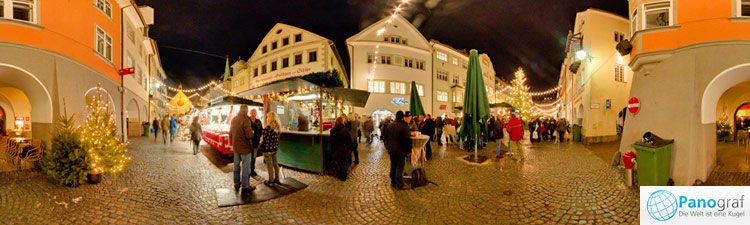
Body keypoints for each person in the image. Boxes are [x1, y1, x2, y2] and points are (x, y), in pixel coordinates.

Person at [230, 104, 256, 192]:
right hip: (245, 148)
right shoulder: (246, 120)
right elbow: (249, 135)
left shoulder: (234, 119)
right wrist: (253, 133)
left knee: (236, 165)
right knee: (246, 167)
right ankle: (245, 186)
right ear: (246, 110)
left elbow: (230, 134)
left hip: (236, 147)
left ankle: (236, 182)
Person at [383, 111, 412, 190]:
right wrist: (409, 150)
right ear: (403, 117)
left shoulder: (390, 125)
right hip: (400, 150)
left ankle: (393, 181)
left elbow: (385, 137)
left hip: (391, 149)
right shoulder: (404, 126)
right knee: (400, 167)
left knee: (393, 165)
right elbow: (407, 140)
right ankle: (400, 184)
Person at [259, 112, 282, 185]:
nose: (266, 118)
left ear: (270, 118)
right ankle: (277, 179)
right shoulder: (278, 127)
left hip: (267, 149)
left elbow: (264, 139)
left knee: (269, 165)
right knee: (275, 164)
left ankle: (271, 180)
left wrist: (260, 146)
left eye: (267, 117)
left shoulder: (267, 128)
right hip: (274, 149)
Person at [330, 116, 352, 181]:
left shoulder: (332, 130)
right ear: (342, 122)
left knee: (339, 162)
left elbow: (331, 141)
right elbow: (349, 140)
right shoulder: (345, 130)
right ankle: (343, 176)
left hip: (336, 148)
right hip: (344, 148)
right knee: (345, 162)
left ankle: (339, 174)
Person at [249, 109, 263, 177]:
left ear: (256, 114)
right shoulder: (247, 121)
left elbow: (261, 131)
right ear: (250, 113)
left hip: (255, 143)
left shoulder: (258, 121)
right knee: (248, 157)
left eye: (254, 113)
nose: (253, 114)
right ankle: (248, 169)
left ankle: (252, 170)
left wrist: (259, 138)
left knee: (254, 157)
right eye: (252, 113)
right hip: (248, 143)